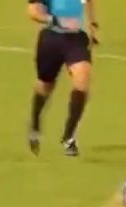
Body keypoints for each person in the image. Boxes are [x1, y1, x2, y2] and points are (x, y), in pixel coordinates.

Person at [26, 0, 99, 157]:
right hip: (51, 39)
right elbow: (33, 12)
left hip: (77, 39)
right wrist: (56, 20)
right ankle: (35, 123)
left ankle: (69, 136)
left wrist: (92, 23)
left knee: (82, 81)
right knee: (45, 85)